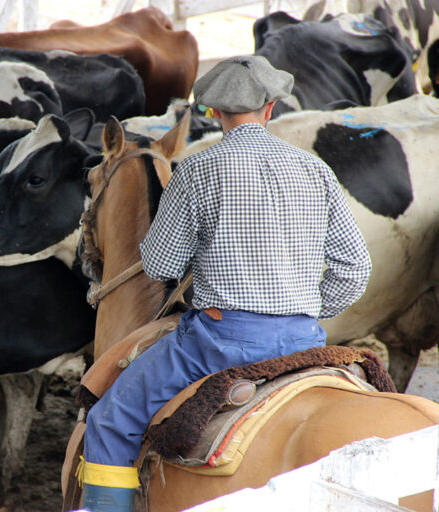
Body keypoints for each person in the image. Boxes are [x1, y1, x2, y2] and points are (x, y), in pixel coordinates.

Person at [79, 55, 372, 512]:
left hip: (218, 342)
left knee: (108, 423)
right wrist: (302, 307)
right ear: (270, 107)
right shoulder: (316, 171)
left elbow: (159, 264)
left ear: (214, 113)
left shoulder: (197, 170)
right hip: (303, 338)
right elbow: (354, 269)